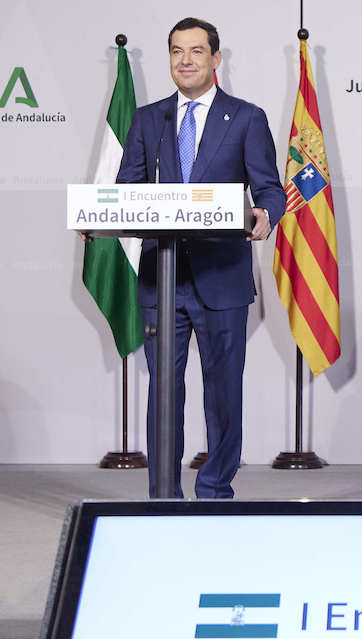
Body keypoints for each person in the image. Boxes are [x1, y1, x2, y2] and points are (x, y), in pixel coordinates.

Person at [115, 17, 285, 498]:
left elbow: (270, 189)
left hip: (221, 276)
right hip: (161, 278)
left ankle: (214, 492)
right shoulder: (150, 119)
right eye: (175, 51)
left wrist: (263, 215)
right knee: (163, 393)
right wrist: (100, 218)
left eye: (195, 51)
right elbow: (128, 187)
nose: (184, 60)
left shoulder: (246, 117)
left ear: (216, 59)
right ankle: (163, 496)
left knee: (223, 391)